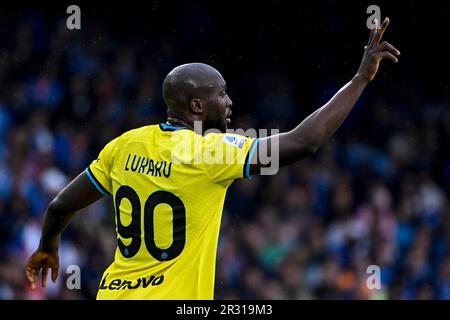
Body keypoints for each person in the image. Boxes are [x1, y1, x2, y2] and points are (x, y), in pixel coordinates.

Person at [25, 18, 400, 299]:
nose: (229, 101)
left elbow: (59, 206)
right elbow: (306, 142)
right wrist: (359, 80)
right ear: (197, 105)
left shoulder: (124, 145)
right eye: (222, 94)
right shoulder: (213, 154)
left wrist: (48, 247)